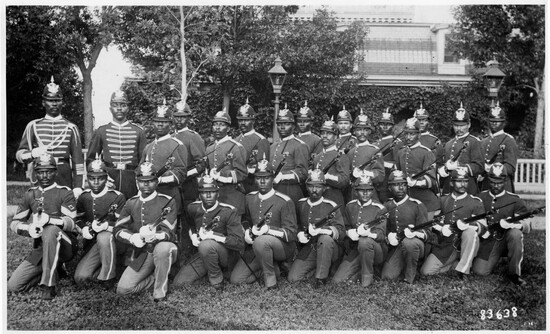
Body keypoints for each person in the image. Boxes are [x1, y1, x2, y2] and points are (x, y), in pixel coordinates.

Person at [8, 152, 78, 300]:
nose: (45, 176)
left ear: (55, 172)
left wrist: (50, 220)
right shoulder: (31, 194)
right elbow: (14, 223)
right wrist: (29, 228)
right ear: (36, 173)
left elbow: (72, 224)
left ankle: (49, 285)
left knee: (51, 230)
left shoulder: (64, 192)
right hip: (42, 248)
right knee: (14, 286)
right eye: (40, 172)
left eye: (49, 172)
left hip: (65, 245)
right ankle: (54, 268)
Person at [113, 161, 179, 302]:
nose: (146, 184)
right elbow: (118, 229)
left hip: (164, 248)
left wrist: (156, 236)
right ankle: (157, 276)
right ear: (137, 183)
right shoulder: (131, 202)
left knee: (163, 248)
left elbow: (170, 232)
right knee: (123, 290)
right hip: (143, 253)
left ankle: (160, 292)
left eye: (150, 181)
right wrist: (132, 238)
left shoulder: (167, 201)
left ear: (156, 182)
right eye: (142, 181)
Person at [230, 157, 298, 289]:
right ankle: (275, 268)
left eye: (266, 177)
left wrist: (268, 230)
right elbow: (245, 220)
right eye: (258, 177)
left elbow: (291, 234)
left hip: (282, 247)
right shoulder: (250, 197)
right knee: (236, 279)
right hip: (257, 247)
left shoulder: (284, 201)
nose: (262, 181)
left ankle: (270, 279)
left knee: (262, 241)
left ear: (273, 179)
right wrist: (247, 233)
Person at [16, 76, 84, 199]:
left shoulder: (71, 128)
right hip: (41, 174)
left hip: (63, 175)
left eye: (57, 100)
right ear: (43, 102)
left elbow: (78, 161)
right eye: (50, 100)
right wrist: (32, 153)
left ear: (62, 102)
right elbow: (19, 155)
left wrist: (78, 186)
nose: (54, 103)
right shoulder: (33, 126)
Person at [172, 174, 244, 290]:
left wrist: (214, 236)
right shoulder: (193, 208)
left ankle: (216, 278)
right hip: (205, 253)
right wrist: (193, 234)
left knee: (206, 245)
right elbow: (191, 224)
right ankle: (209, 268)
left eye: (212, 191)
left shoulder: (228, 211)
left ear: (218, 193)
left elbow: (239, 243)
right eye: (205, 192)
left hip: (227, 254)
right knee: (179, 283)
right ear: (200, 195)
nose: (209, 195)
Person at [420, 166, 486, 278]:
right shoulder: (443, 200)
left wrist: (468, 225)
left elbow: (483, 228)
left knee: (470, 233)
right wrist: (442, 228)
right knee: (426, 272)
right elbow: (434, 222)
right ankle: (455, 265)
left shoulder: (475, 202)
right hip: (446, 245)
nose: (463, 184)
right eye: (459, 181)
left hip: (466, 245)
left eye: (465, 181)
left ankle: (463, 271)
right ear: (451, 183)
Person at [472, 163, 531, 285]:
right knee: (480, 272)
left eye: (499, 182)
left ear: (505, 181)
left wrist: (515, 225)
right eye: (493, 182)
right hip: (487, 241)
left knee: (515, 234)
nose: (496, 185)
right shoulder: (480, 197)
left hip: (506, 239)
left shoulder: (514, 199)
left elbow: (527, 224)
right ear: (488, 180)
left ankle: (514, 274)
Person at [74, 158, 127, 289]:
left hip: (113, 242)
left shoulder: (117, 196)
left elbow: (123, 224)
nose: (96, 182)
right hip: (93, 244)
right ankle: (113, 266)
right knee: (81, 278)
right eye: (92, 178)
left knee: (104, 236)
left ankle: (108, 277)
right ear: (87, 178)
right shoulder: (84, 197)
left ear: (106, 178)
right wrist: (84, 229)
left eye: (100, 178)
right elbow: (79, 219)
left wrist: (107, 226)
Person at [289, 167, 345, 287]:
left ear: (324, 188)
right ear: (306, 187)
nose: (314, 190)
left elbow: (341, 231)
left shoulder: (331, 206)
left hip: (329, 247)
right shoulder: (301, 204)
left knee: (324, 239)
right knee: (293, 278)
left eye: (318, 186)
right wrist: (299, 233)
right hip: (310, 248)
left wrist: (322, 231)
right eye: (311, 186)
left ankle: (321, 278)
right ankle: (324, 268)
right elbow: (296, 225)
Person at [87, 90, 148, 199]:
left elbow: (143, 161)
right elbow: (91, 160)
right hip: (109, 179)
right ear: (110, 108)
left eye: (123, 105)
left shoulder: (139, 131)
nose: (119, 108)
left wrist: (140, 181)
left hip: (131, 179)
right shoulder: (101, 131)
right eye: (115, 105)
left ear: (128, 108)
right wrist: (103, 178)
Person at [333, 172, 387, 287]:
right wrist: (349, 232)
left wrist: (368, 233)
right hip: (355, 249)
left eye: (368, 190)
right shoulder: (350, 206)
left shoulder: (380, 208)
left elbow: (381, 235)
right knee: (337, 280)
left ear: (372, 191)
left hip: (375, 250)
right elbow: (345, 227)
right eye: (362, 190)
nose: (366, 193)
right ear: (356, 191)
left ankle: (367, 278)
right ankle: (359, 271)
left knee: (365, 241)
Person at [381, 170, 431, 284]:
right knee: (387, 276)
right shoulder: (387, 205)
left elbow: (428, 233)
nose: (401, 188)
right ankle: (402, 266)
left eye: (403, 184)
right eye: (396, 185)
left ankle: (409, 277)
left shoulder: (417, 205)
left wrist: (416, 233)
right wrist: (389, 235)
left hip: (416, 245)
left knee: (410, 243)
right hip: (397, 247)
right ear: (389, 188)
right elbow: (384, 228)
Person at [141, 100, 188, 215]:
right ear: (153, 124)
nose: (160, 124)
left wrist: (160, 179)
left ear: (171, 124)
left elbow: (180, 174)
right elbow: (139, 170)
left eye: (164, 121)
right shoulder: (148, 147)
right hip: (149, 198)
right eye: (157, 121)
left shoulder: (177, 145)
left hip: (169, 196)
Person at [395, 117, 440, 219]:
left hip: (426, 201)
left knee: (425, 231)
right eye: (406, 133)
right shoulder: (400, 152)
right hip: (407, 200)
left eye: (412, 134)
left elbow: (432, 180)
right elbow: (397, 172)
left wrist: (416, 183)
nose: (408, 137)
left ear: (419, 135)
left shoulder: (426, 153)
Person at [205, 109, 248, 216]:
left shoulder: (236, 147)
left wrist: (221, 176)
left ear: (228, 128)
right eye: (215, 124)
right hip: (214, 196)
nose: (218, 128)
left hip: (232, 195)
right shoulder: (209, 148)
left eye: (221, 125)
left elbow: (242, 174)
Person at [437, 103, 483, 195]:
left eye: (462, 125)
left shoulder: (474, 142)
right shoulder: (448, 144)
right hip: (449, 189)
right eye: (456, 125)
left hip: (467, 188)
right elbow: (442, 166)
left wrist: (460, 167)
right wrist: (445, 169)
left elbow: (479, 166)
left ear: (469, 124)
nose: (459, 128)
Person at [270, 106, 309, 204]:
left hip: (290, 190)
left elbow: (303, 172)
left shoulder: (299, 145)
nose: (282, 127)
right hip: (272, 190)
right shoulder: (273, 146)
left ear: (293, 126)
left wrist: (283, 176)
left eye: (286, 124)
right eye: (279, 124)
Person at [346, 109, 385, 203]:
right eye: (359, 129)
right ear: (354, 132)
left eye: (365, 130)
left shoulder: (375, 150)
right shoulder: (350, 152)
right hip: (352, 194)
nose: (362, 132)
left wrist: (364, 173)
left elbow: (380, 175)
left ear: (370, 132)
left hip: (369, 193)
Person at [310, 118, 350, 208]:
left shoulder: (340, 156)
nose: (325, 136)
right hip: (316, 197)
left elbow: (345, 180)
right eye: (323, 133)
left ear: (336, 137)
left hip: (333, 197)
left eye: (329, 134)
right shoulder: (317, 157)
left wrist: (328, 177)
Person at [479, 102, 519, 192]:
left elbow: (510, 167)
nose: (494, 124)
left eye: (497, 121)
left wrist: (493, 168)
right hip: (486, 184)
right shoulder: (483, 141)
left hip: (503, 185)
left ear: (503, 123)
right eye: (492, 121)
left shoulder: (508, 140)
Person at [235, 99, 270, 193]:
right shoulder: (235, 140)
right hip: (235, 185)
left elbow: (262, 167)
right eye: (240, 120)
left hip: (251, 186)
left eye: (246, 120)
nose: (243, 123)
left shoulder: (260, 140)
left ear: (253, 121)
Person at [374, 108, 402, 203]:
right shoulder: (375, 144)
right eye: (382, 124)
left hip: (389, 182)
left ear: (393, 126)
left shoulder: (397, 143)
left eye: (388, 124)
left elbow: (397, 165)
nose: (385, 127)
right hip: (377, 182)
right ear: (378, 126)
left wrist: (381, 162)